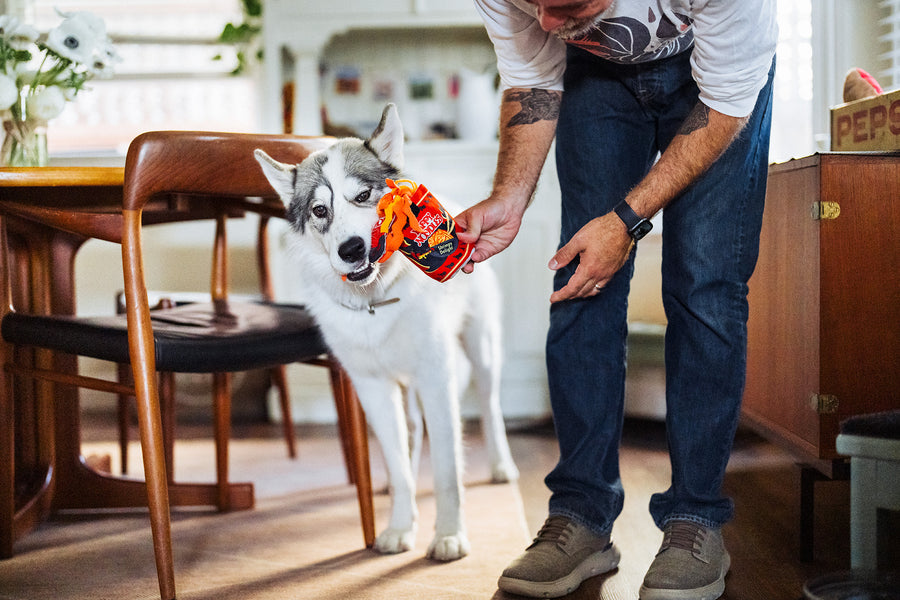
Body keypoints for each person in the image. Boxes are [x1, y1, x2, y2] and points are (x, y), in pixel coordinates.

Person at [454, 1, 777, 598]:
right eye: (536, 3)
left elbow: (729, 99)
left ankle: (695, 521)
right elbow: (533, 77)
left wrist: (626, 221)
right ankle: (581, 515)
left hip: (716, 88)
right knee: (581, 278)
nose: (547, 21)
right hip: (596, 79)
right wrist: (509, 195)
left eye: (568, 4)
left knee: (705, 283)